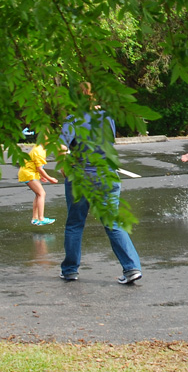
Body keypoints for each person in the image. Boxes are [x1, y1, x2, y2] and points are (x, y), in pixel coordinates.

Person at [59, 83, 142, 285]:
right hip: (106, 176)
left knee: (75, 224)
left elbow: (62, 147)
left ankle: (70, 270)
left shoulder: (73, 120)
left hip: (81, 177)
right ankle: (131, 268)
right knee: (112, 222)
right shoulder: (108, 118)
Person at [18, 134, 58, 226]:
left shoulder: (39, 148)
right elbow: (40, 168)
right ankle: (41, 218)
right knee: (41, 193)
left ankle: (35, 218)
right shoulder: (39, 150)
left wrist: (41, 175)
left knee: (38, 194)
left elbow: (36, 165)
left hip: (29, 172)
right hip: (28, 174)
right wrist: (49, 178)